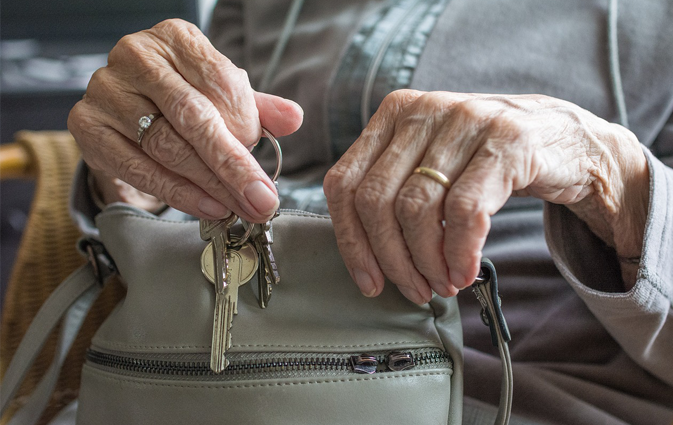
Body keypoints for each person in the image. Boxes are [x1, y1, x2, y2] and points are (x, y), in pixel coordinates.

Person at [67, 0, 673, 423]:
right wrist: (137, 158)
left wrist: (605, 168)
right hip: (169, 371)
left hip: (518, 394)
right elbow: (178, 173)